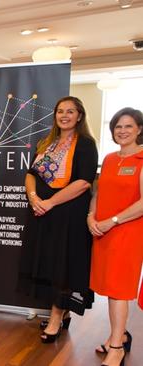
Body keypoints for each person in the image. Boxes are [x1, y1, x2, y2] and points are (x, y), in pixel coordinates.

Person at [18, 96, 98, 343]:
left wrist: (50, 203)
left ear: (79, 116)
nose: (64, 115)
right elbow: (31, 174)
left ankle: (56, 318)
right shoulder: (46, 143)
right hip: (42, 213)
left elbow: (84, 182)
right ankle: (60, 314)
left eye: (70, 111)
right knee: (48, 264)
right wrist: (34, 198)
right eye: (60, 111)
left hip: (68, 215)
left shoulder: (86, 144)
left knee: (63, 265)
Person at [87, 107, 143, 366]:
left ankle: (117, 348)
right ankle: (116, 336)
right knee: (109, 288)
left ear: (139, 129)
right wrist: (91, 216)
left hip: (128, 232)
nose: (122, 131)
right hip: (102, 231)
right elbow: (98, 193)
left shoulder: (142, 159)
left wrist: (113, 221)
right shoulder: (109, 159)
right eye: (118, 126)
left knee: (119, 290)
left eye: (128, 126)